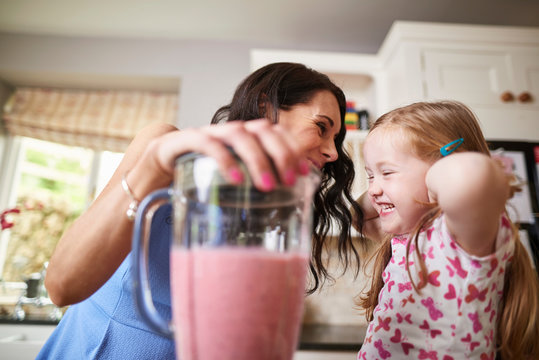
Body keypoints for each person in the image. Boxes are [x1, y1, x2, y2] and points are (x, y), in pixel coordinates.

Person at [36, 62, 365, 359]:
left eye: (336, 140)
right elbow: (62, 287)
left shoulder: (274, 213)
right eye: (322, 127)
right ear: (268, 108)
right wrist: (152, 167)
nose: (332, 153)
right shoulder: (165, 150)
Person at [356, 101, 539, 359]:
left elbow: (471, 175)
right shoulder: (404, 236)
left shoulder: (463, 238)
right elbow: (358, 215)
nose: (373, 189)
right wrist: (385, 179)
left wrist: (433, 176)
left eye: (387, 171)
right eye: (370, 175)